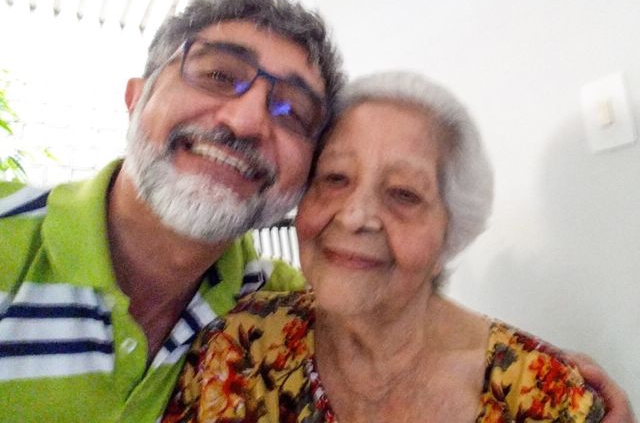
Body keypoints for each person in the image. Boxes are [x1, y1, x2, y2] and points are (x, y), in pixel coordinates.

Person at [162, 71, 635, 422]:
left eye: (404, 194)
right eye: (335, 178)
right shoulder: (240, 350)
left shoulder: (541, 392)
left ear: (451, 234)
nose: (355, 216)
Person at [0, 0, 344, 422]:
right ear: (135, 98)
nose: (246, 122)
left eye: (293, 112)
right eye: (219, 76)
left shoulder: (282, 309)